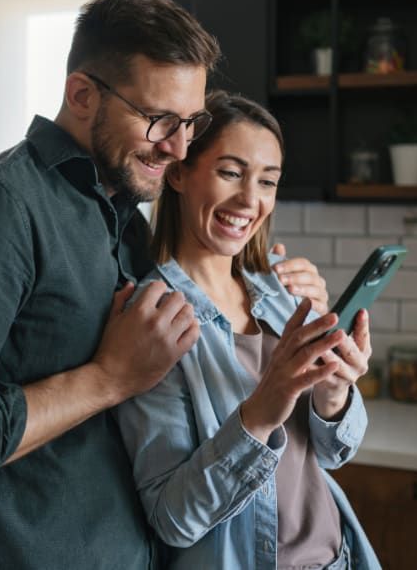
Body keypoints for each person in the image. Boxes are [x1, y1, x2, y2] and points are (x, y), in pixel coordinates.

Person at [0, 0, 330, 568]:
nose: (177, 147)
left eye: (189, 123)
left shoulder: (127, 226)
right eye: (160, 120)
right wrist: (107, 378)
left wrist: (280, 288)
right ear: (82, 94)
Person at [114, 91, 380, 569]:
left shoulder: (279, 292)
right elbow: (173, 518)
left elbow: (332, 453)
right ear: (178, 173)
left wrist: (336, 392)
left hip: (337, 556)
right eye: (230, 173)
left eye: (268, 181)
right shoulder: (153, 319)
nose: (250, 200)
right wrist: (259, 414)